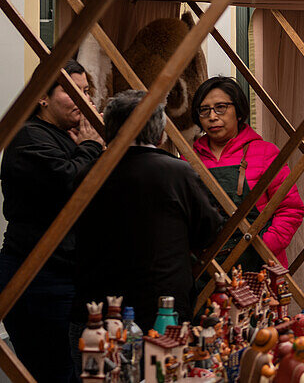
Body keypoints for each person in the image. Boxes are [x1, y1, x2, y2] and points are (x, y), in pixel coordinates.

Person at [73, 90, 224, 332]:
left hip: (97, 312)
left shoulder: (87, 173)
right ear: (161, 132)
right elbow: (208, 231)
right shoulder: (177, 173)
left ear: (108, 129)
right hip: (163, 311)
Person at [0, 59, 103, 383]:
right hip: (37, 276)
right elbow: (68, 182)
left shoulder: (61, 136)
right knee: (55, 369)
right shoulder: (29, 137)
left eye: (86, 92)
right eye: (73, 91)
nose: (84, 100)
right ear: (42, 97)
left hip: (65, 273)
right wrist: (89, 147)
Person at [192, 77, 304, 268]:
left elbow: (291, 209)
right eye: (204, 110)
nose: (212, 116)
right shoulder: (188, 159)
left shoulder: (265, 153)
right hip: (206, 269)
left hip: (259, 266)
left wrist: (261, 248)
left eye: (220, 107)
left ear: (238, 111)